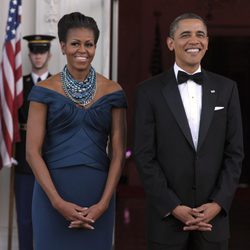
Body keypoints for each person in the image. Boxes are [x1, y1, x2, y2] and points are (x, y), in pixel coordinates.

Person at [133, 13, 244, 250]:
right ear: (170, 43)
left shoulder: (227, 89)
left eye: (200, 34)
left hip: (214, 223)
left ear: (207, 42)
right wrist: (173, 207)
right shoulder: (148, 91)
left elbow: (235, 153)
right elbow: (144, 156)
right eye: (185, 35)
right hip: (166, 222)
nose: (194, 40)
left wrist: (217, 204)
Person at [26, 12, 127, 250]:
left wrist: (102, 204)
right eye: (75, 43)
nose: (82, 50)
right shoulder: (43, 91)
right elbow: (32, 152)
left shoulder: (114, 91)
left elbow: (119, 153)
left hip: (98, 195)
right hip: (51, 195)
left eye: (89, 44)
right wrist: (57, 202)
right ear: (62, 46)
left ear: (95, 47)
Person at [14, 34, 55, 250]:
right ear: (29, 54)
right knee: (24, 219)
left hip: (52, 159)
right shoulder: (18, 86)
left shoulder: (57, 84)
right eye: (35, 52)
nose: (38, 56)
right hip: (24, 159)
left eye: (42, 52)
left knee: (51, 218)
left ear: (49, 54)